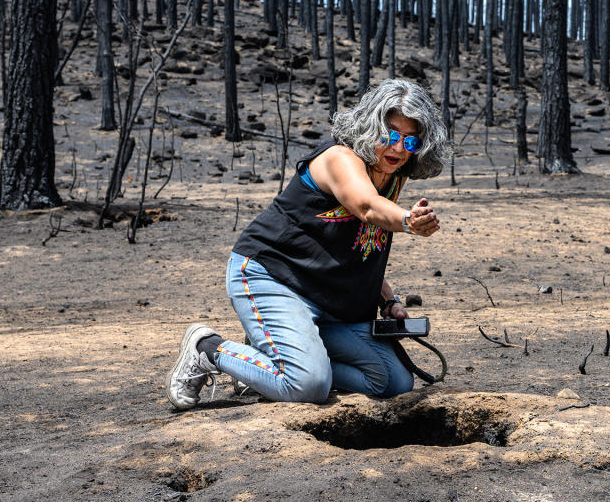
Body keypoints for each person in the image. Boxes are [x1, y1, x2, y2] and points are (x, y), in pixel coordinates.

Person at [166, 79, 451, 409]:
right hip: (272, 277)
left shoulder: (393, 175)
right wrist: (407, 221)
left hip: (327, 301)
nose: (399, 148)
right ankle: (207, 348)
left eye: (411, 141)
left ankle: (266, 365)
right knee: (309, 384)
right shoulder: (340, 159)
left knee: (393, 381)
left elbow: (363, 247)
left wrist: (389, 301)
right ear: (369, 125)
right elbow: (367, 207)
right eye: (390, 135)